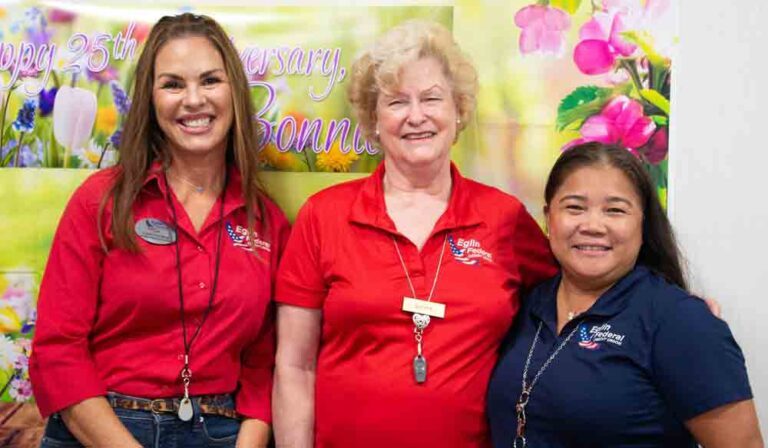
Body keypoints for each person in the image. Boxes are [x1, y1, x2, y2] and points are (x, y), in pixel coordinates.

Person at [272, 20, 557, 448]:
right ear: (373, 118)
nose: (416, 116)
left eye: (432, 98)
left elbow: (578, 299)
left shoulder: (505, 219)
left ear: (459, 109)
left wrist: (675, 310)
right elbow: (295, 366)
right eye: (396, 102)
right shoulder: (323, 216)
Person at [29, 13, 289, 448]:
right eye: (172, 84)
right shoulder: (101, 202)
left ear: (235, 93)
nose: (193, 100)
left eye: (210, 80)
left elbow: (264, 365)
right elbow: (58, 351)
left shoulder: (267, 223)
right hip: (101, 428)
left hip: (219, 429)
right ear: (150, 100)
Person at [486, 143, 763, 447]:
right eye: (574, 207)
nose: (592, 225)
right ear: (548, 217)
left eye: (615, 210)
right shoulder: (528, 304)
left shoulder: (681, 322)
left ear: (643, 224)